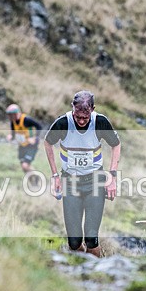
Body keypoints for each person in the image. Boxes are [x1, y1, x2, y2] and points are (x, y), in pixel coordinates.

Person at [44, 90, 121, 258]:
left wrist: (112, 177)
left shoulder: (100, 122)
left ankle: (97, 273)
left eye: (85, 118)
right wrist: (55, 175)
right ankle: (80, 271)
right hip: (70, 183)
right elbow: (48, 142)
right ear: (72, 107)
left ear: (92, 110)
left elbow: (116, 145)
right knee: (74, 241)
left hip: (94, 181)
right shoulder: (63, 123)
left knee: (91, 237)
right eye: (77, 116)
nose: (80, 121)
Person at [6, 103, 43, 187]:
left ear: (17, 113)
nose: (10, 117)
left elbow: (39, 126)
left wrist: (35, 138)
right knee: (24, 168)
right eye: (9, 115)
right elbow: (13, 134)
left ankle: (36, 177)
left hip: (31, 146)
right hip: (22, 146)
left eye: (11, 115)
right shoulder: (13, 122)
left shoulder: (26, 119)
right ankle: (34, 183)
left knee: (25, 166)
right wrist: (11, 137)